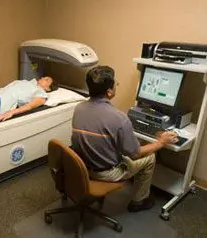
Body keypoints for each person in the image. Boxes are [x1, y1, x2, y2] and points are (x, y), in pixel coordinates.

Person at [71, 65, 178, 212]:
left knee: (134, 145)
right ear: (109, 92)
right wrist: (161, 142)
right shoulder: (120, 118)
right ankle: (138, 201)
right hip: (105, 173)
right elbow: (135, 154)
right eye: (116, 83)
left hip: (81, 166)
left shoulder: (79, 108)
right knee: (150, 157)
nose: (116, 85)